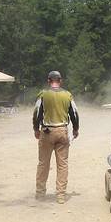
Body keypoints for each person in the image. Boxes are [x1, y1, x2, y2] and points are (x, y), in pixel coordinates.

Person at [32, 70, 79, 204]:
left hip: (46, 132)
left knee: (43, 163)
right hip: (62, 131)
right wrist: (75, 129)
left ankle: (40, 194)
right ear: (60, 81)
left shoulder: (43, 94)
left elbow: (36, 113)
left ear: (48, 81)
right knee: (62, 164)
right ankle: (60, 195)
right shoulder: (67, 95)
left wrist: (36, 129)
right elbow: (74, 113)